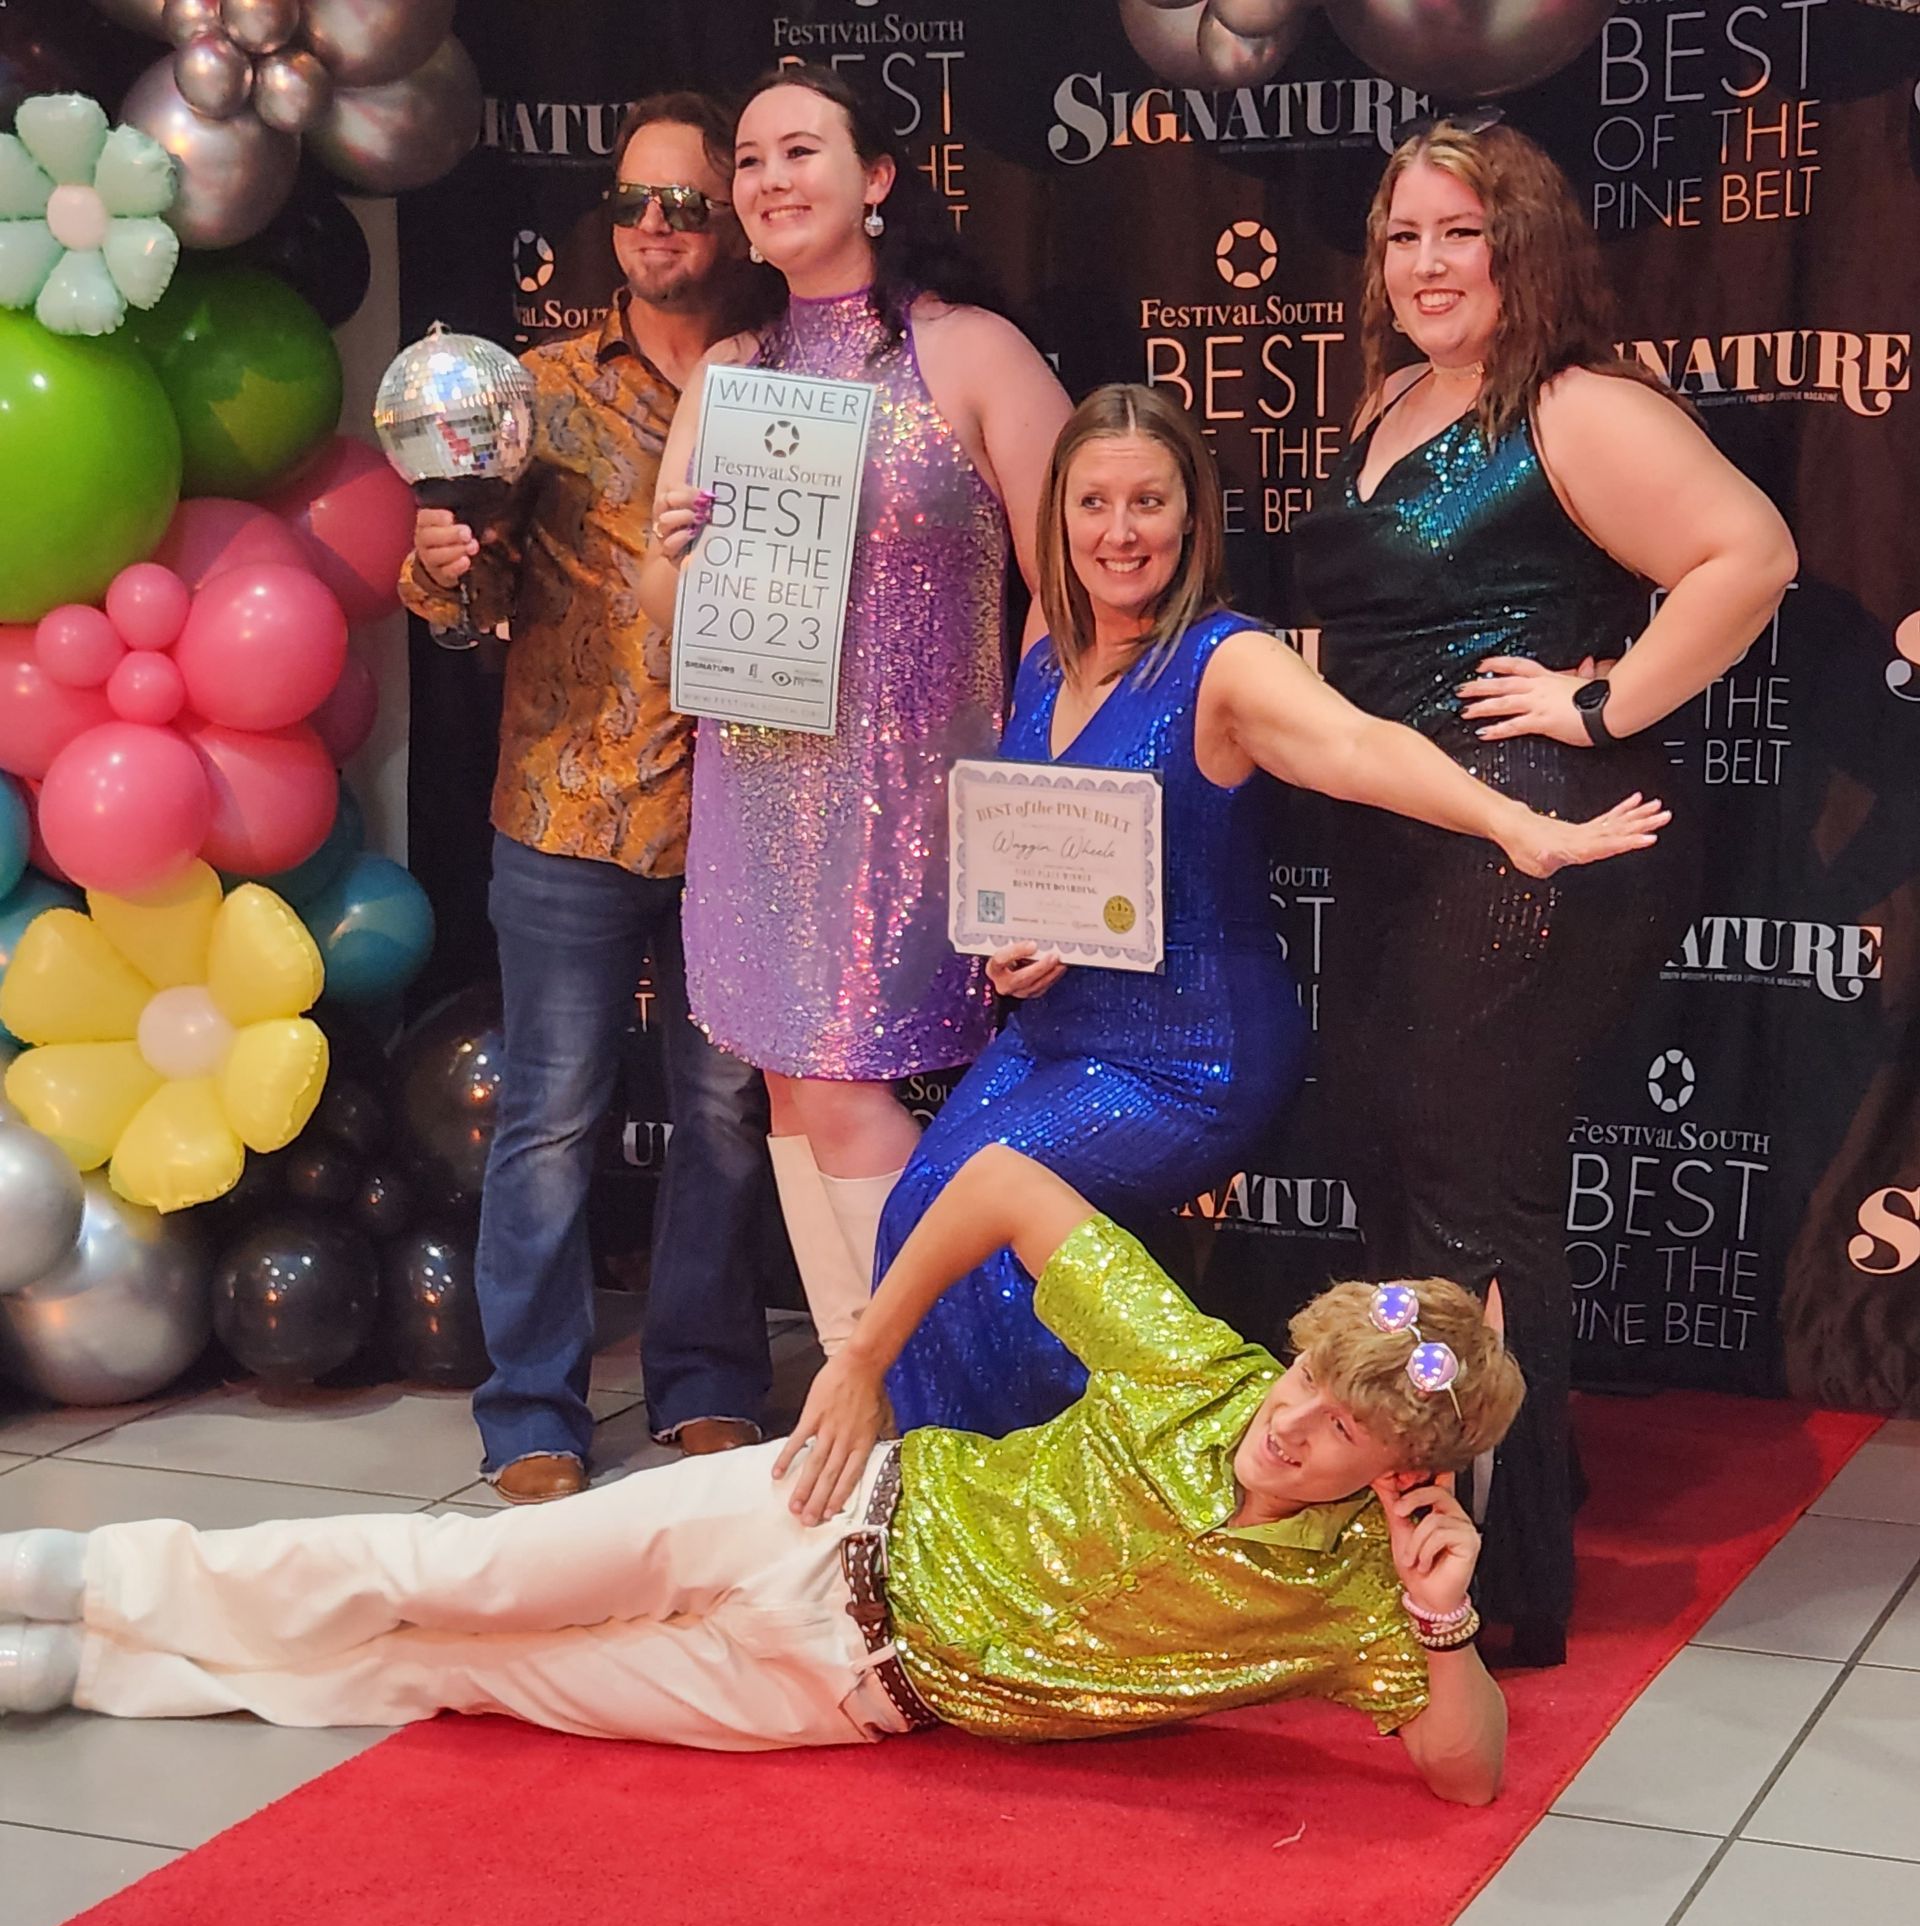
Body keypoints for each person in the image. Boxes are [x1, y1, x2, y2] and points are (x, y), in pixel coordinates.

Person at [0, 1148, 1525, 1811]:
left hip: (832, 1694)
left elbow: (1466, 1775)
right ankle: (79, 1577)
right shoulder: (1192, 1365)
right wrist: (860, 1357)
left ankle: (92, 1665)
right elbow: (1003, 1184)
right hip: (820, 1510)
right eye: (1307, 1376)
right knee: (454, 1574)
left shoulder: (1353, 1594)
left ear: (1398, 1471)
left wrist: (1442, 1619)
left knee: (459, 1673)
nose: (1293, 1421)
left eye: (1342, 1430)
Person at [878, 382, 1676, 1441]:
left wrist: (1514, 824)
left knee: (962, 1214)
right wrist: (1022, 947)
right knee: (915, 1214)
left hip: (1186, 1059)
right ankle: (999, 1480)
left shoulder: (1225, 659)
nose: (1120, 533)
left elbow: (1359, 747)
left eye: (1149, 503)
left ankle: (1076, 1488)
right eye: (1093, 504)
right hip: (1057, 1035)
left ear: (1191, 518)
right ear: (1057, 518)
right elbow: (1049, 866)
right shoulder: (1045, 658)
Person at [1290, 115, 1796, 1662]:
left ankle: (1504, 1582)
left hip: (1533, 841)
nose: (1427, 264)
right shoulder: (1389, 398)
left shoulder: (1573, 407)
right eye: (1404, 236)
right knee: (1405, 1174)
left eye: (1463, 233)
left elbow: (1750, 553)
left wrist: (1599, 703)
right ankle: (1474, 1489)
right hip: (1403, 839)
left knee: (1472, 1198)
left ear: (1526, 248)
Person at [640, 63, 1072, 1358]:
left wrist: (1035, 808)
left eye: (800, 152)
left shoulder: (970, 350)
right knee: (790, 1089)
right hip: (757, 792)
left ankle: (923, 1401)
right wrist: (674, 555)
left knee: (840, 1087)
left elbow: (1077, 595)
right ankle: (864, 1407)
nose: (769, 179)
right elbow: (664, 621)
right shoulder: (730, 372)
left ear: (875, 177)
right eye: (749, 160)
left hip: (912, 807)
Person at [399, 94, 781, 1504]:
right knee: (551, 1119)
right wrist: (444, 564)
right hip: (571, 808)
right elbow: (470, 599)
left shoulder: (788, 382)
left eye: (686, 203)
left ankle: (707, 1381)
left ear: (732, 219)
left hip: (747, 808)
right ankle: (531, 1411)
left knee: (724, 1116)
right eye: (633, 204)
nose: (656, 227)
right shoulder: (535, 391)